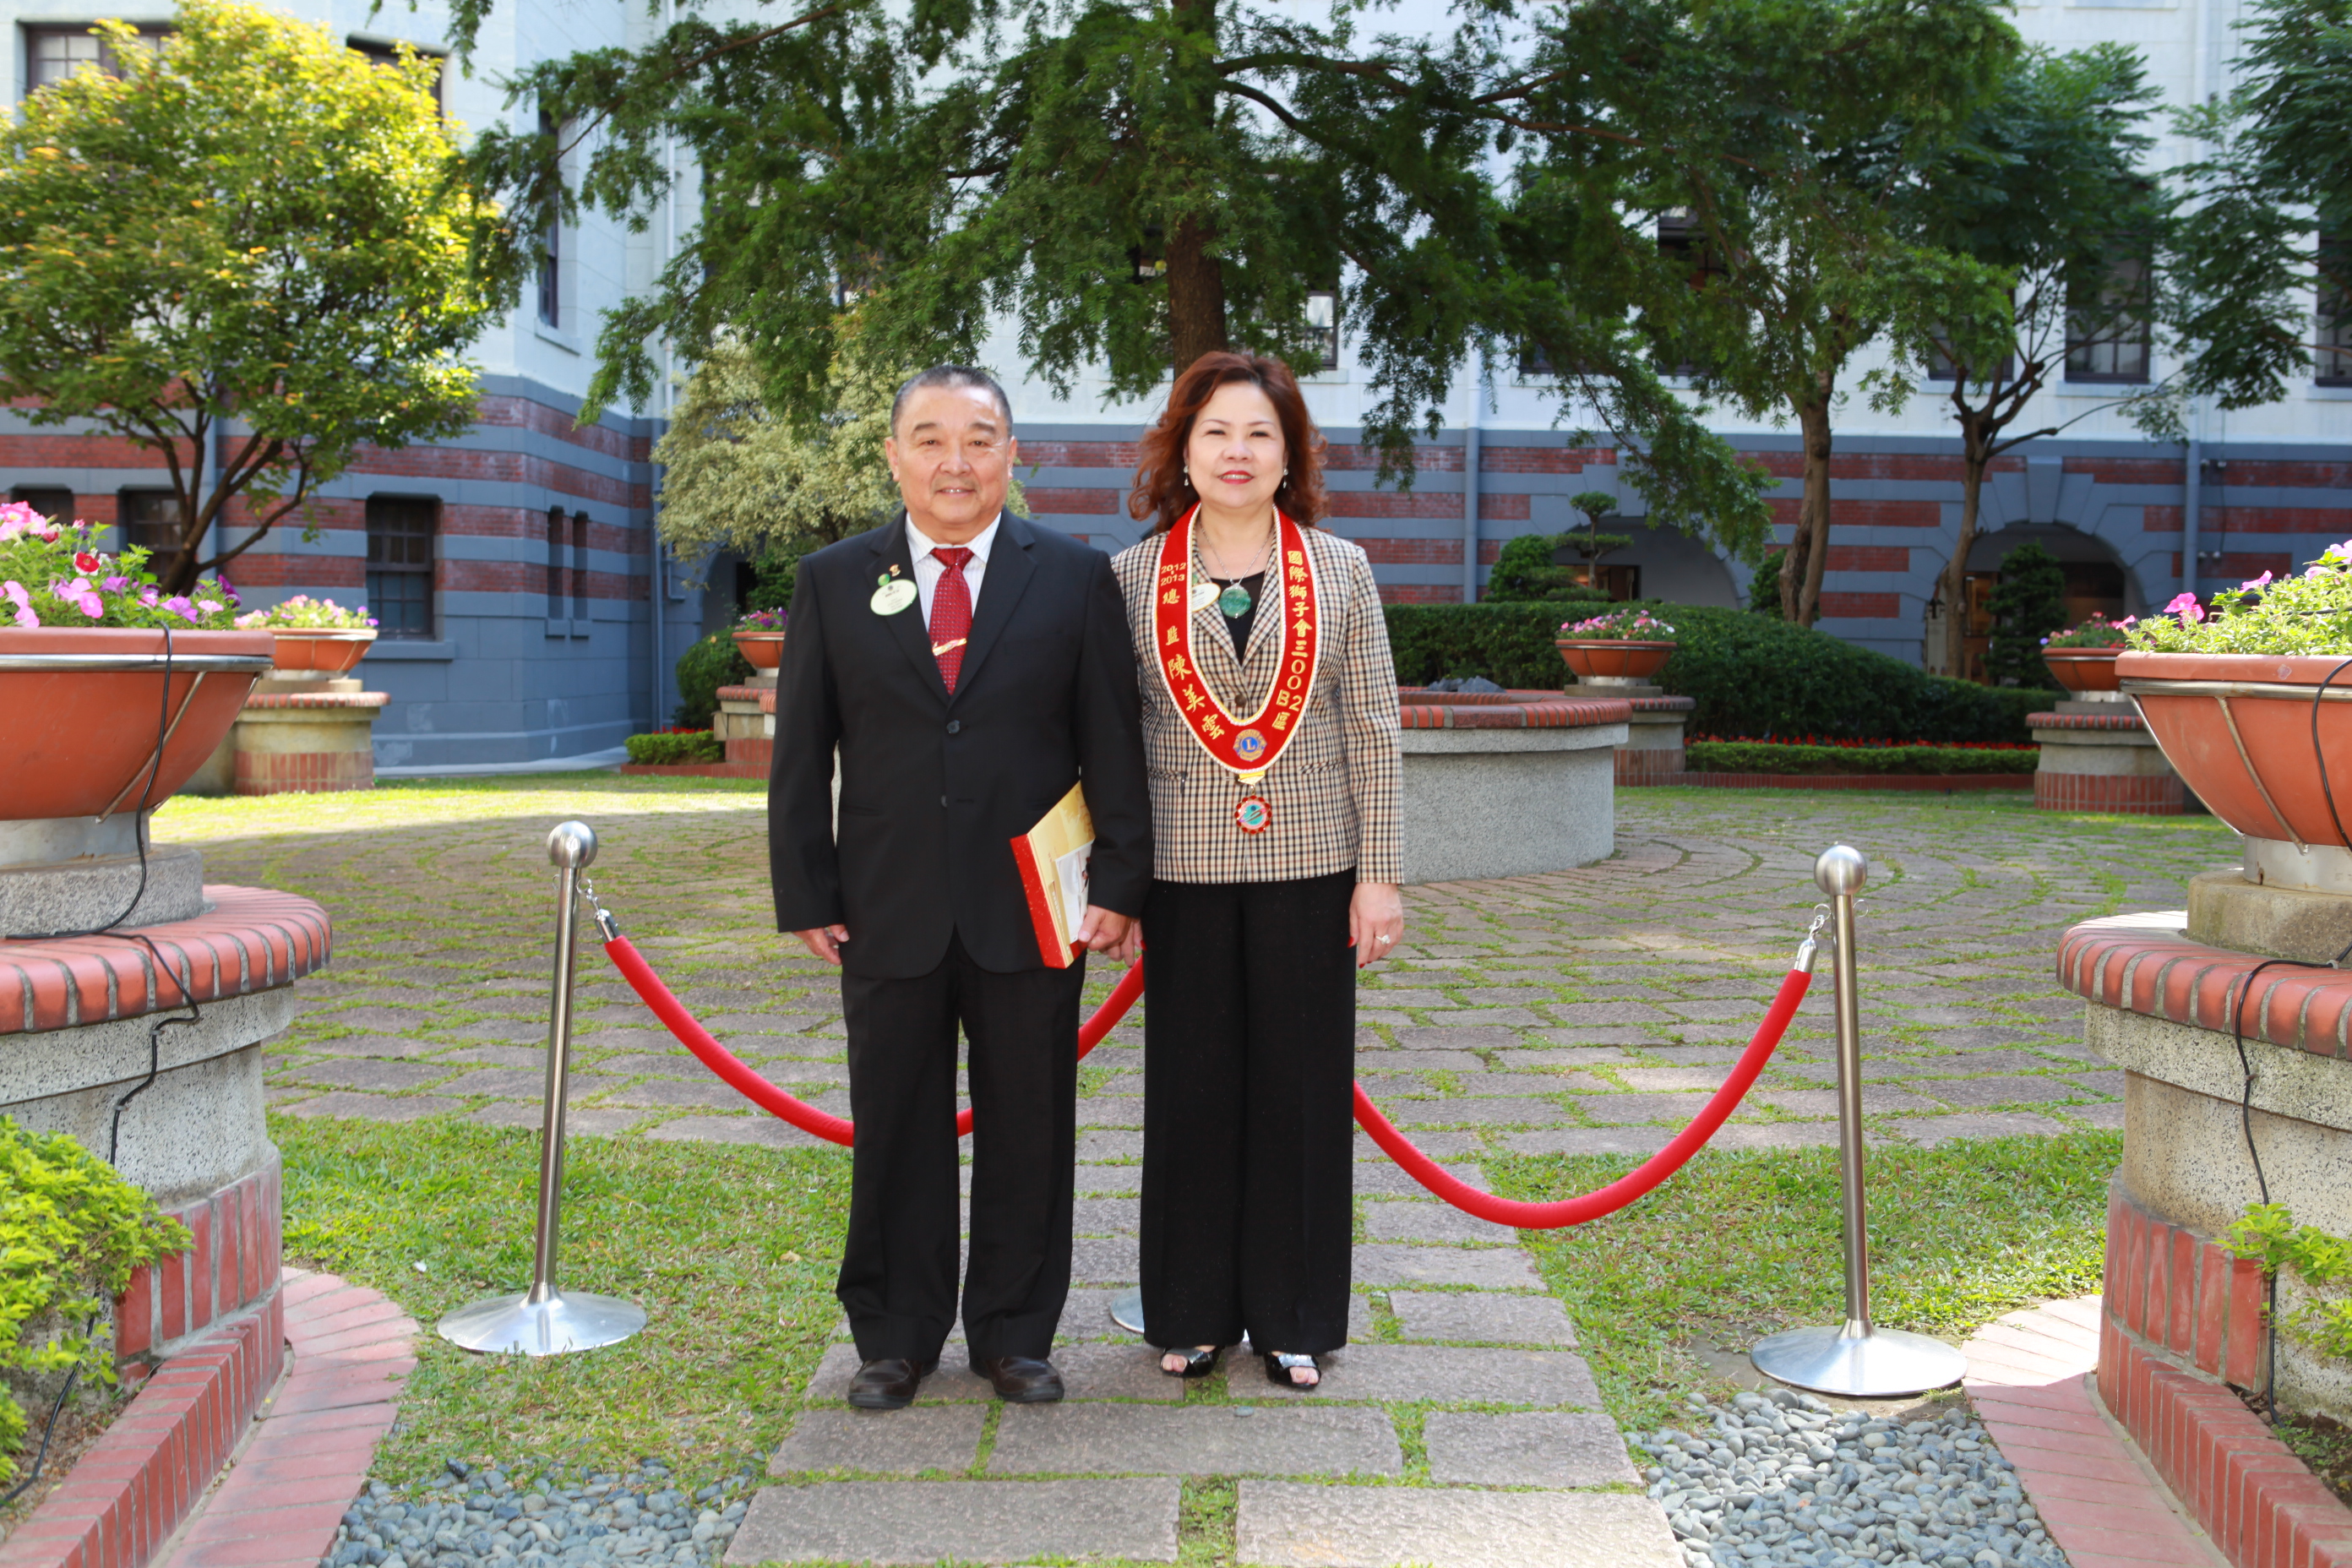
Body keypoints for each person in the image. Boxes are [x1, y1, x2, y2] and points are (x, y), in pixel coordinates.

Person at [769, 365, 1152, 1410]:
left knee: (1031, 1120)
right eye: (930, 438)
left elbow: (1111, 742)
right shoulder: (833, 579)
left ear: (1010, 455)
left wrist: (1121, 879)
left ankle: (1016, 1332)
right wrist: (807, 887)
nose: (955, 461)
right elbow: (801, 751)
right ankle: (895, 1334)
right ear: (893, 455)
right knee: (895, 1118)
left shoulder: (1074, 576)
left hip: (1031, 903)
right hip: (884, 901)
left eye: (979, 438)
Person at [1108, 351, 1404, 1390]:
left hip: (1314, 865)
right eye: (1216, 432)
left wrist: (1381, 872)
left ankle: (1294, 1314)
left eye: (1260, 434)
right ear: (1182, 450)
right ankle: (1189, 1309)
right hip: (1180, 869)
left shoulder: (1343, 569)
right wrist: (1117, 885)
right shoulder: (1132, 577)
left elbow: (1373, 728)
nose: (1237, 452)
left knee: (1302, 1089)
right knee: (1189, 1090)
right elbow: (1114, 742)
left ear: (1291, 455)